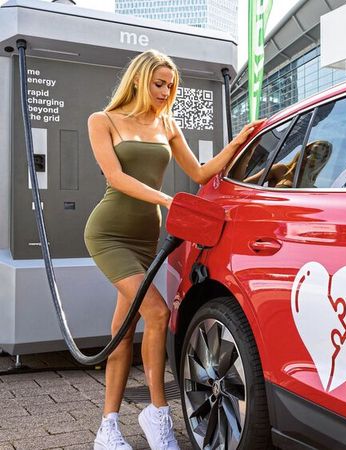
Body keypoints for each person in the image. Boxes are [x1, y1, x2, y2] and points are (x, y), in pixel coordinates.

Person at [83, 49, 260, 450]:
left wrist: (237, 142)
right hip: (109, 233)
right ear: (138, 79)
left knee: (124, 329)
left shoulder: (167, 124)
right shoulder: (103, 120)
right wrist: (168, 201)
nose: (165, 92)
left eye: (170, 86)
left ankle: (107, 428)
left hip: (147, 238)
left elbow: (199, 172)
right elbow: (115, 177)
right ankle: (158, 415)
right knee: (158, 312)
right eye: (159, 83)